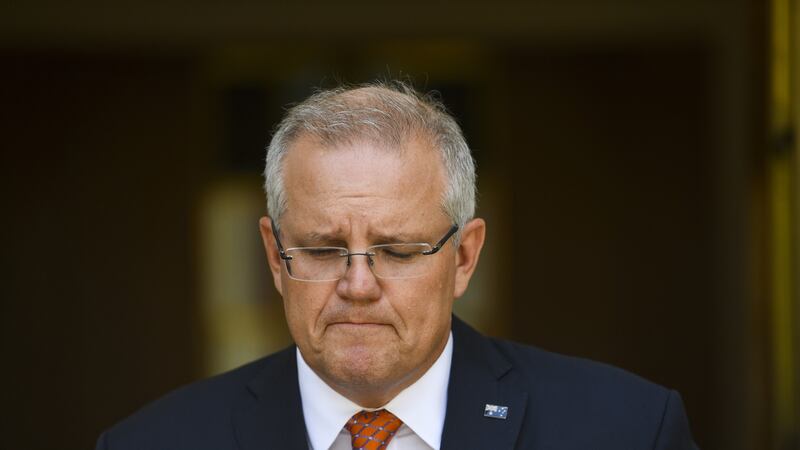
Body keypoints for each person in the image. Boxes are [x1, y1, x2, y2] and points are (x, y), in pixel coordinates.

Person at [96, 82, 698, 450]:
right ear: (274, 258)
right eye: (324, 250)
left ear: (464, 257)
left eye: (399, 251)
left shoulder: (626, 432)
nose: (358, 286)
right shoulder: (151, 444)